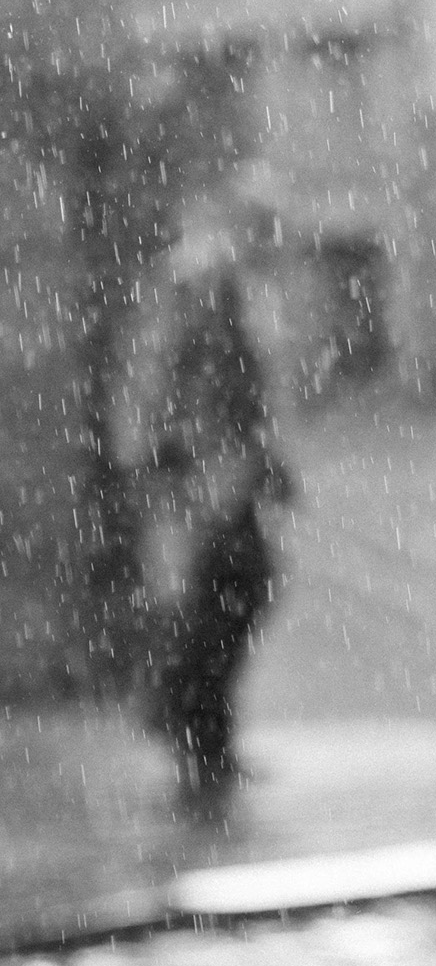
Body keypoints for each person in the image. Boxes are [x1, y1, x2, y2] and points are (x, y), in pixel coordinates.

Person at [112, 167, 295, 812]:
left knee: (228, 596)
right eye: (267, 225)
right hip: (207, 473)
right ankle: (190, 727)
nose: (274, 238)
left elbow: (236, 382)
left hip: (219, 471)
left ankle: (202, 732)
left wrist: (263, 460)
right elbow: (195, 376)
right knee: (227, 595)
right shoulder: (205, 277)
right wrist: (184, 459)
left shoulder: (222, 277)